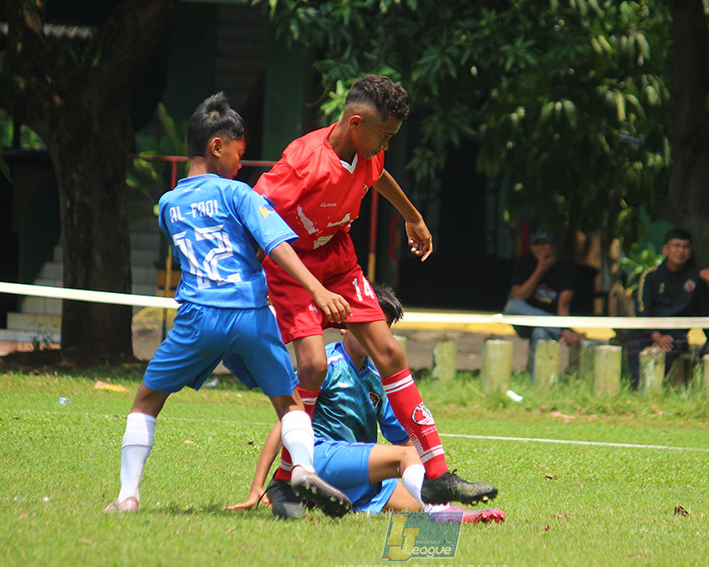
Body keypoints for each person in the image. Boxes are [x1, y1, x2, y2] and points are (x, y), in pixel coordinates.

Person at [104, 92, 353, 516]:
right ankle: (304, 469)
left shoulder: (167, 205)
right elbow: (275, 243)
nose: (241, 163)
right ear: (216, 146)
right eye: (239, 153)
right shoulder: (239, 194)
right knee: (289, 401)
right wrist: (317, 289)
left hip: (197, 316)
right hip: (250, 316)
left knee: (147, 400)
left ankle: (128, 495)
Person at [254, 74, 496, 504]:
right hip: (291, 264)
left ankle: (438, 472)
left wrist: (413, 216)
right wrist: (247, 281)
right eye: (384, 136)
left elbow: (378, 175)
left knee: (391, 353)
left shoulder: (367, 153)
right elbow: (257, 216)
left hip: (340, 261)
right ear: (357, 123)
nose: (385, 146)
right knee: (312, 367)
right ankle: (288, 477)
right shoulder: (302, 161)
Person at [228, 285, 504, 523]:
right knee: (409, 466)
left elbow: (406, 442)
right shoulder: (325, 365)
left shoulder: (378, 378)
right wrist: (258, 487)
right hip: (318, 460)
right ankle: (442, 515)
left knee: (418, 492)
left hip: (358, 473)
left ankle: (455, 515)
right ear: (347, 324)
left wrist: (429, 470)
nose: (372, 334)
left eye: (381, 328)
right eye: (367, 324)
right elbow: (286, 420)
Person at [625, 227, 709, 388]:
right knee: (634, 340)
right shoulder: (650, 276)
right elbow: (642, 311)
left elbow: (707, 311)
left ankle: (651, 389)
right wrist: (656, 336)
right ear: (666, 249)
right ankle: (636, 388)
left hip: (676, 333)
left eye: (685, 247)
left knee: (670, 345)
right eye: (676, 246)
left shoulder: (696, 278)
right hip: (648, 330)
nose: (681, 251)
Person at [503, 227, 586, 379]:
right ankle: (560, 329)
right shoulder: (525, 263)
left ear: (553, 246)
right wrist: (540, 270)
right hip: (526, 321)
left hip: (549, 324)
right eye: (537, 244)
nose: (541, 248)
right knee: (511, 305)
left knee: (541, 332)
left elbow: (563, 306)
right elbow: (518, 297)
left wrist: (563, 324)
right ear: (532, 247)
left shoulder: (565, 268)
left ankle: (539, 385)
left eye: (545, 243)